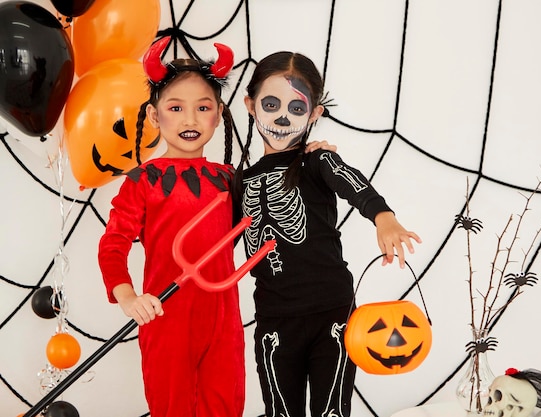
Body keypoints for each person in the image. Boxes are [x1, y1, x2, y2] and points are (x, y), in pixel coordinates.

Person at [98, 38, 336, 417]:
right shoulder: (144, 181)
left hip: (223, 323)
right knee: (171, 407)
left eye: (203, 108)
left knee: (226, 405)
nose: (190, 120)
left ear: (219, 114)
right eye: (175, 108)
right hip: (165, 317)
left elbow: (274, 199)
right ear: (155, 116)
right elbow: (113, 244)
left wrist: (309, 157)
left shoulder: (232, 180)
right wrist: (128, 297)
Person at [232, 51, 422, 417]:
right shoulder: (241, 182)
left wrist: (383, 216)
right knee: (281, 413)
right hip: (274, 320)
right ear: (251, 106)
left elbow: (354, 186)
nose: (282, 117)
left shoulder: (318, 160)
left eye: (297, 108)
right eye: (270, 104)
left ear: (315, 113)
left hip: (332, 315)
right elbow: (215, 240)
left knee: (332, 412)